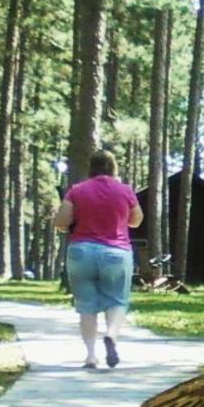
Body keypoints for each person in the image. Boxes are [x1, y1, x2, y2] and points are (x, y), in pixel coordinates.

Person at [52, 150, 143, 369]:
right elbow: (136, 221)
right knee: (117, 301)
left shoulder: (77, 191)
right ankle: (111, 335)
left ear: (90, 168)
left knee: (86, 306)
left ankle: (91, 356)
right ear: (114, 168)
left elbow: (61, 221)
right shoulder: (125, 191)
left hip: (81, 252)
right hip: (116, 252)